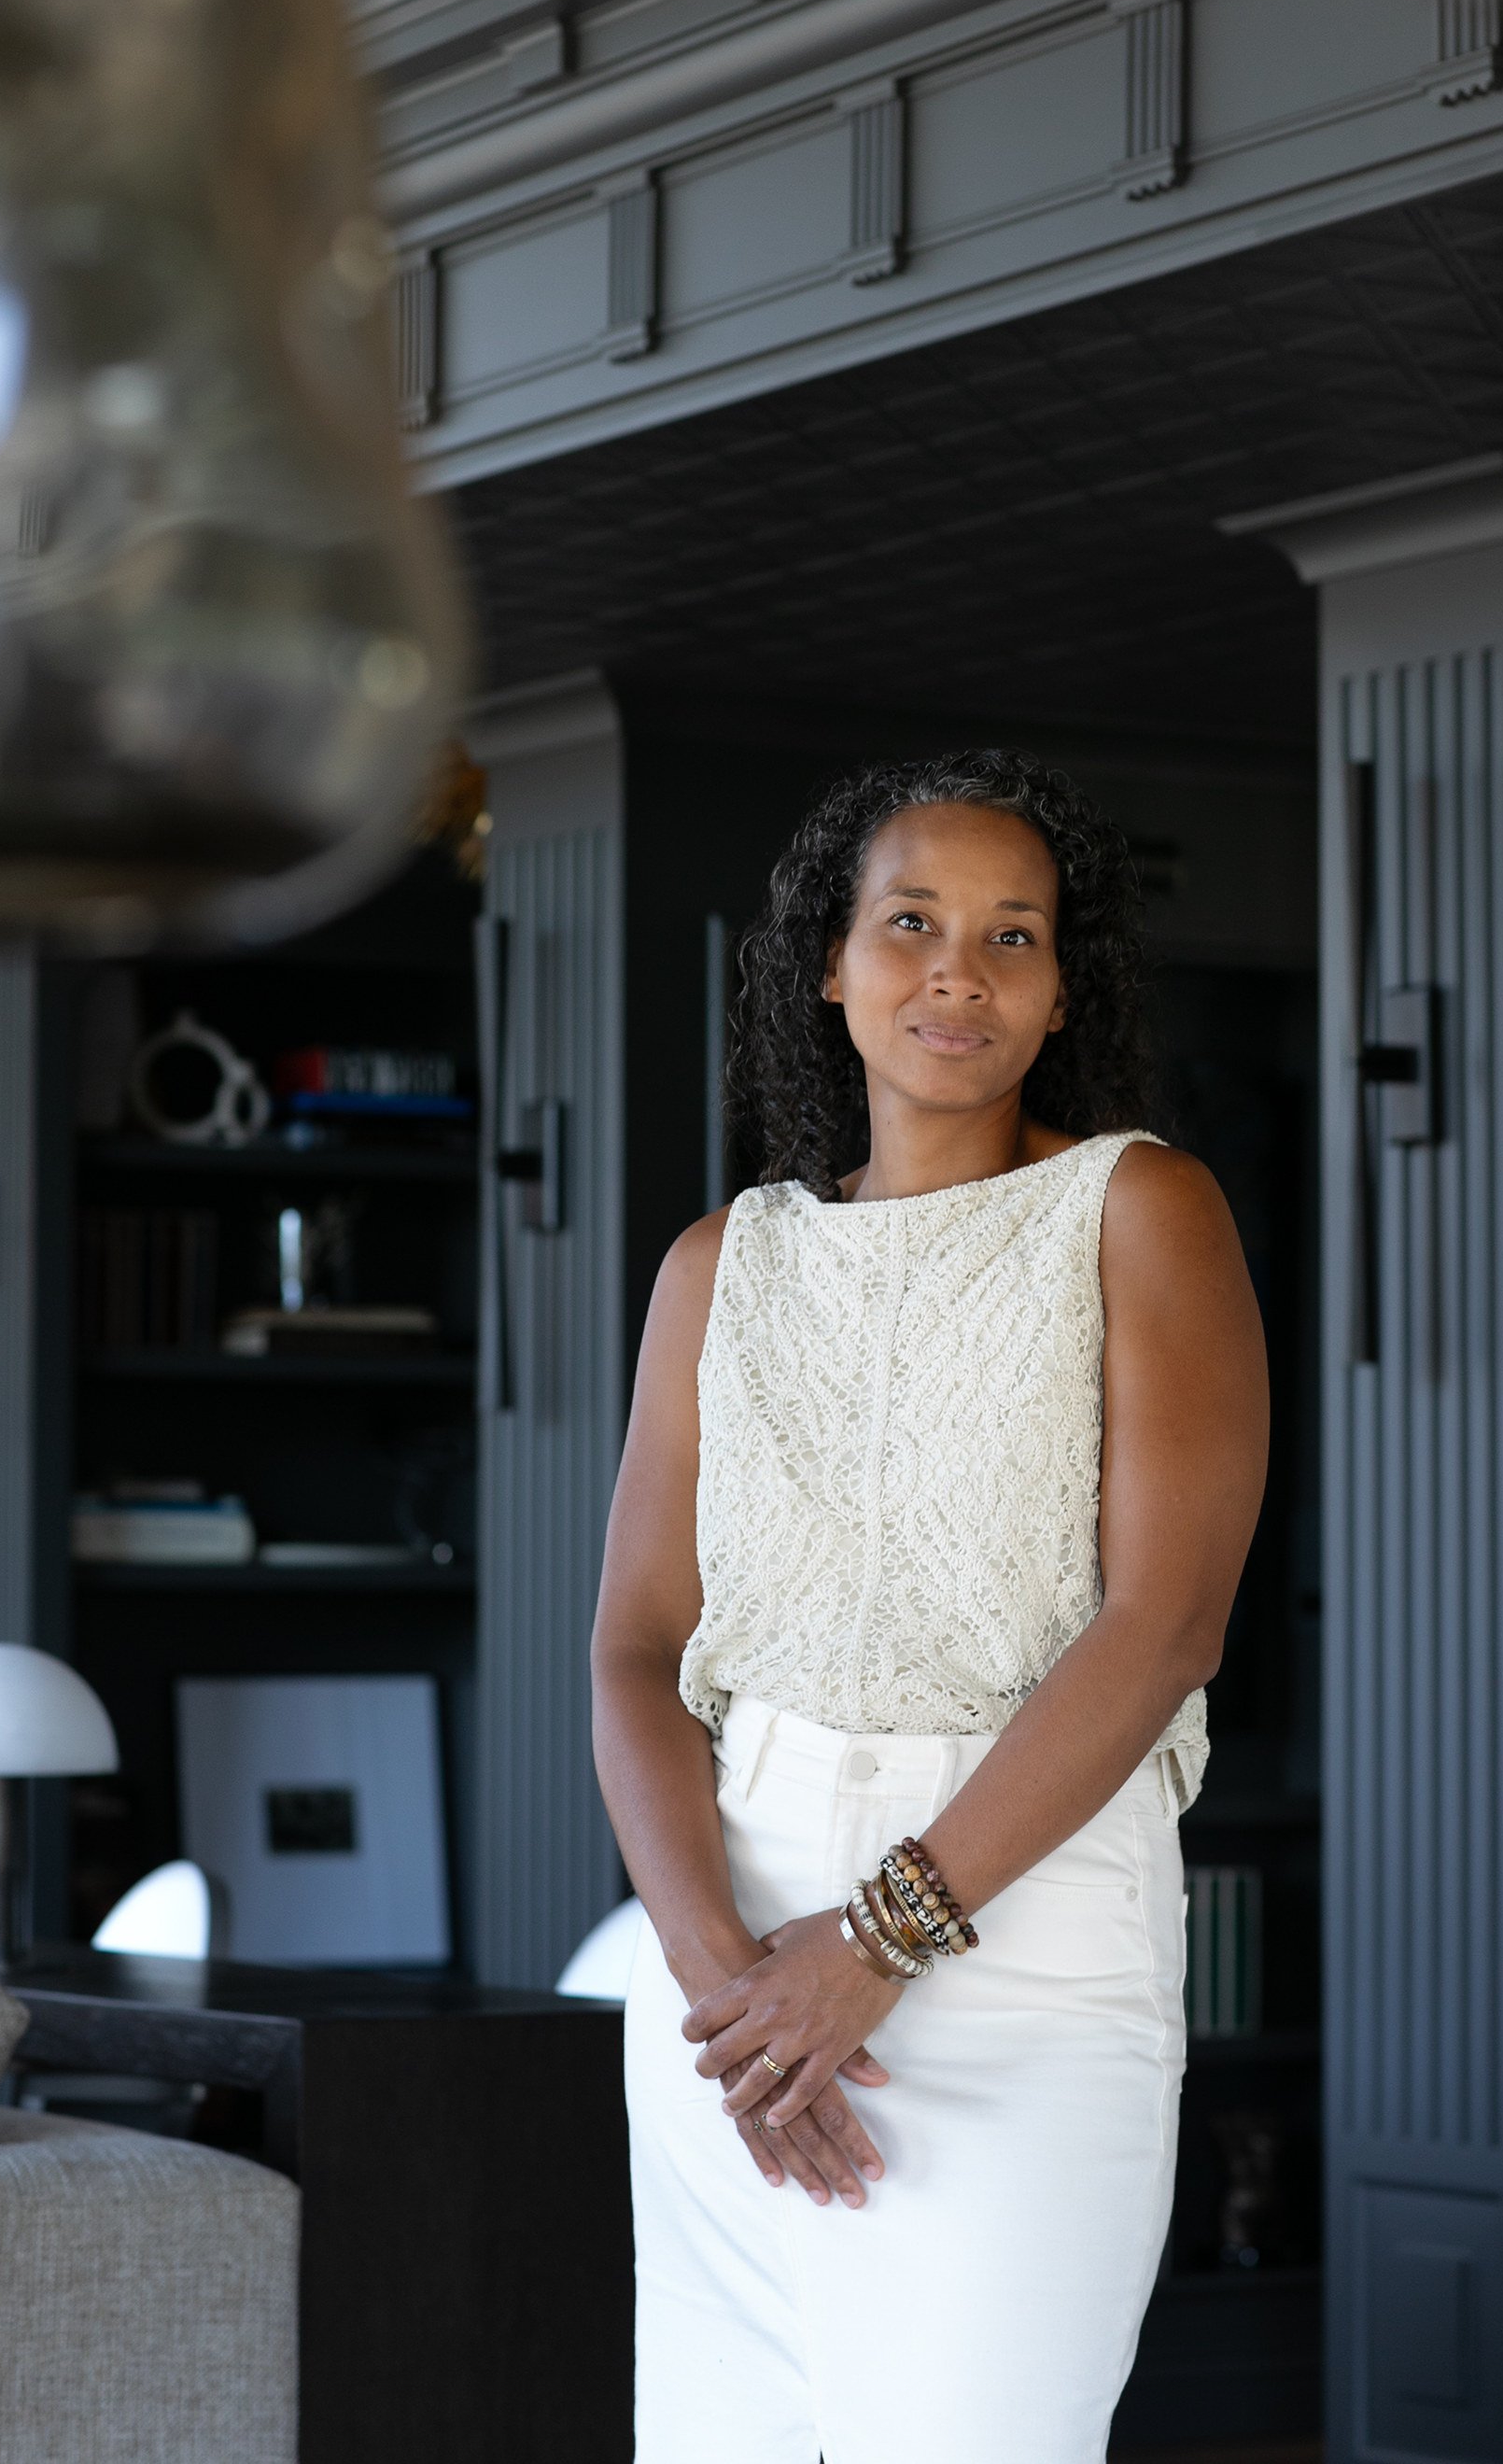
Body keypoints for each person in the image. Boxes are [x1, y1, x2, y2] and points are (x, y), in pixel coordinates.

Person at [592, 749, 1270, 2464]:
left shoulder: (1139, 1209)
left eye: (1012, 936)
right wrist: (720, 1985)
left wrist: (880, 1941)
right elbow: (636, 1649)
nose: (957, 970)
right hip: (728, 1962)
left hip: (1024, 1949)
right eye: (910, 923)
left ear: (1061, 993)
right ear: (829, 962)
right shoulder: (717, 1265)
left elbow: (1164, 1625)